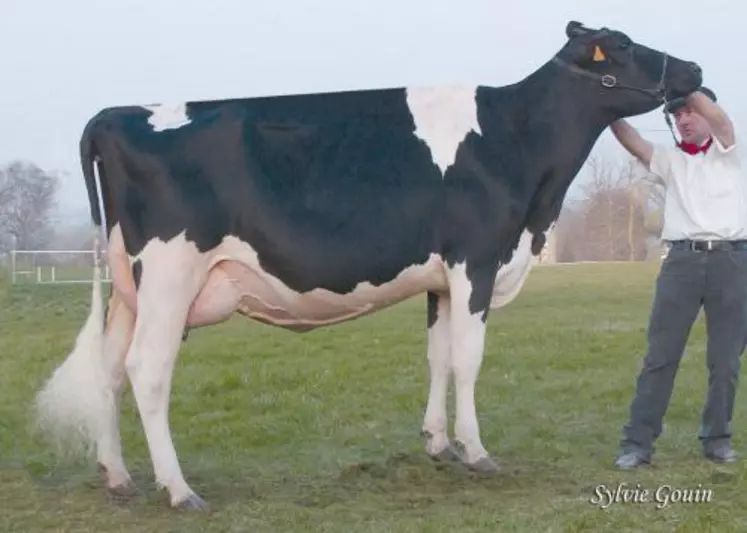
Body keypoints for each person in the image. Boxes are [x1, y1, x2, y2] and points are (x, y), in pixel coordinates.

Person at [608, 86, 747, 469]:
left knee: (726, 361)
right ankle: (637, 443)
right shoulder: (670, 161)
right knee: (660, 358)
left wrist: (685, 83)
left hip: (732, 263)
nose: (683, 119)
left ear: (705, 111)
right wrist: (608, 108)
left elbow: (719, 119)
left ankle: (717, 439)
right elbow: (633, 141)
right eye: (676, 115)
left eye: (689, 111)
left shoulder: (729, 151)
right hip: (681, 265)